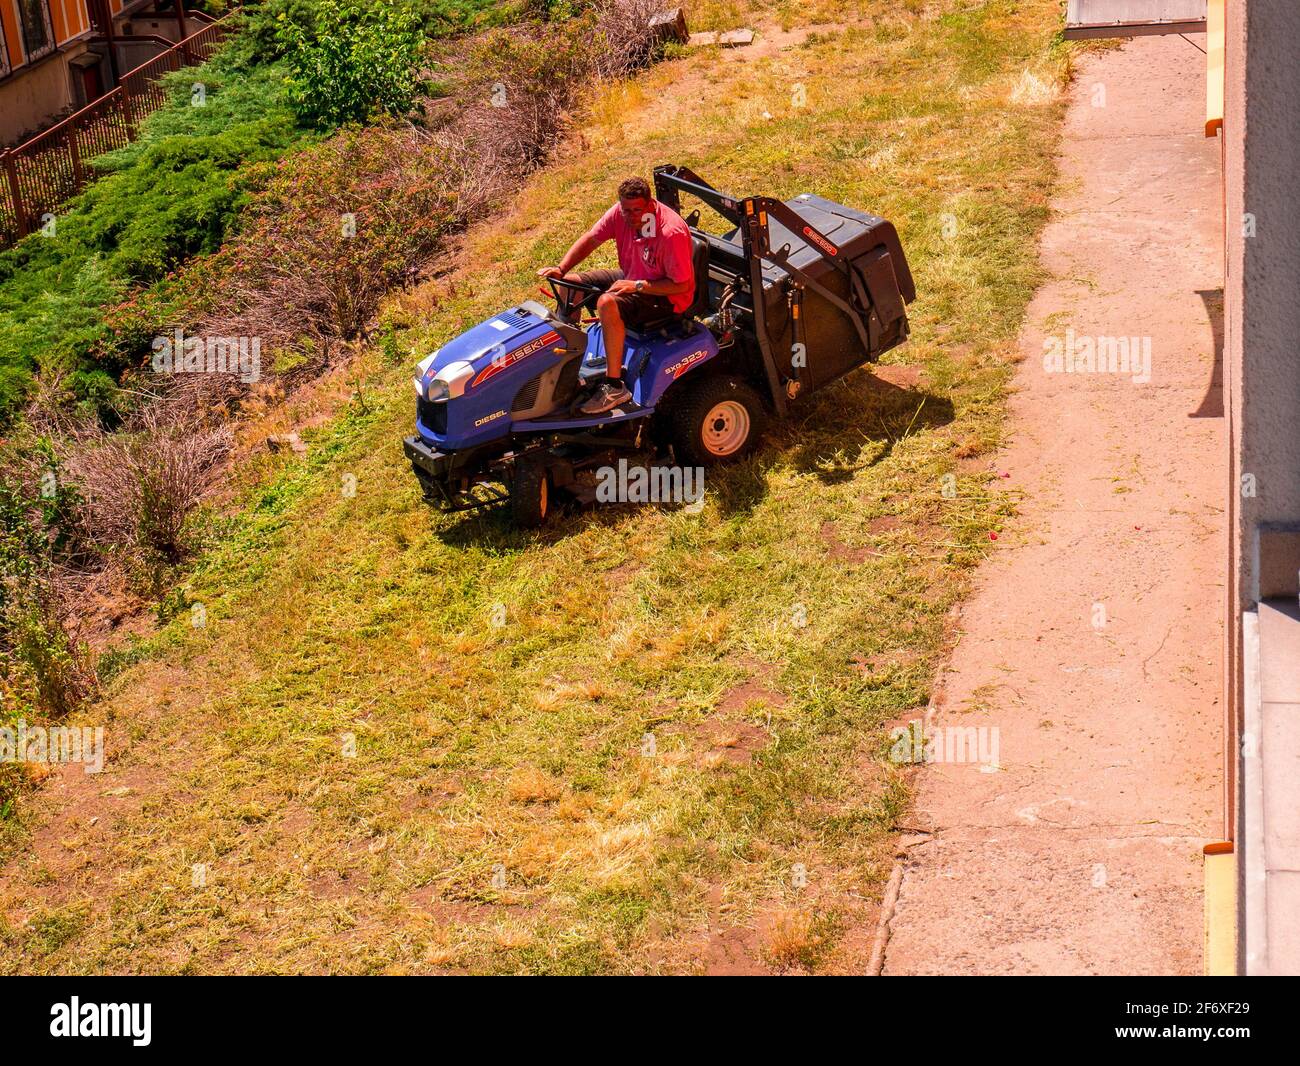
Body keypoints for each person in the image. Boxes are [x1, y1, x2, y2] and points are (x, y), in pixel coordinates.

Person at [538, 176, 696, 414]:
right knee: (569, 284)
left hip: (666, 296)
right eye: (626, 210)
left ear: (651, 205)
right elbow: (592, 238)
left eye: (637, 210)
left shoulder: (670, 232)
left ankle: (614, 387)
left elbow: (682, 286)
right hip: (633, 276)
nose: (632, 216)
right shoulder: (619, 215)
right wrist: (561, 269)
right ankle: (567, 362)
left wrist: (639, 286)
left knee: (607, 303)